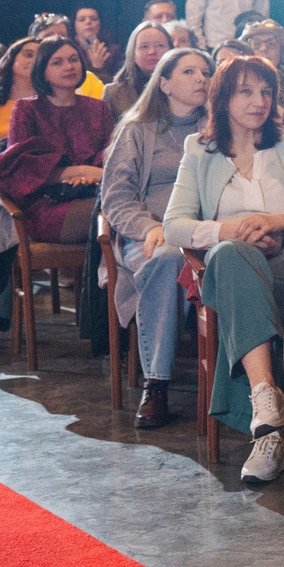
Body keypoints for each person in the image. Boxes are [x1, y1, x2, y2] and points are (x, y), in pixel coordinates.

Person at [162, 55, 284, 484]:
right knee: (231, 256)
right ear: (223, 97)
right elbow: (174, 225)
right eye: (246, 91)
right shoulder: (199, 151)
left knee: (237, 274)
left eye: (266, 91)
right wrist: (230, 230)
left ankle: (267, 426)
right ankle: (266, 403)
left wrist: (279, 221)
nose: (259, 101)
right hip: (231, 269)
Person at [0, 36, 113, 352]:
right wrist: (72, 172)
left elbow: (108, 158)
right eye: (57, 61)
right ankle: (104, 327)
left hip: (93, 192)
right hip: (41, 204)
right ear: (42, 71)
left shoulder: (99, 108)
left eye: (73, 59)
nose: (68, 67)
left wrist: (93, 174)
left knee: (113, 211)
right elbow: (22, 168)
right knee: (110, 214)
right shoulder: (27, 109)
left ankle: (114, 323)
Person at [101, 46, 212, 427]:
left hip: (207, 233)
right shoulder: (137, 130)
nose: (201, 78)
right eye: (188, 72)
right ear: (163, 83)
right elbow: (115, 198)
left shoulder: (217, 130)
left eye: (205, 72)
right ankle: (156, 384)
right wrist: (150, 227)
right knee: (168, 259)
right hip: (149, 235)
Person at [104, 21, 173, 118]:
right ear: (132, 54)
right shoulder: (114, 92)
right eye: (144, 46)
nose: (152, 51)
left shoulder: (184, 88)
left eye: (160, 45)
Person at [243, 17, 284, 112]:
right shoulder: (238, 85)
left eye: (271, 43)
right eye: (256, 44)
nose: (264, 48)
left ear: (281, 50)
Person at [73, 7, 118, 79]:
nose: (88, 22)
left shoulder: (113, 50)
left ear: (100, 23)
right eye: (82, 20)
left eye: (93, 19)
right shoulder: (70, 50)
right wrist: (96, 68)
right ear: (74, 25)